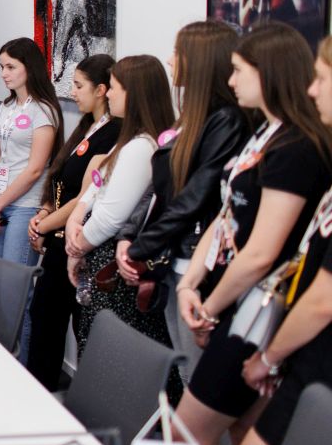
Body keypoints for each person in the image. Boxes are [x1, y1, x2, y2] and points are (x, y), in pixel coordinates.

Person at [173, 23, 332, 445]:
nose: (231, 80)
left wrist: (210, 307)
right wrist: (192, 282)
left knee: (189, 433)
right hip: (241, 308)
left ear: (269, 74)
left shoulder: (298, 149)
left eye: (240, 71)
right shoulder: (264, 135)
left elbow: (264, 253)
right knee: (240, 439)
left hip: (258, 317)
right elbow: (226, 217)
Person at [116, 21, 248, 383]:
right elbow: (160, 190)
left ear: (201, 61)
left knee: (198, 377)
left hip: (197, 261)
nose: (171, 60)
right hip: (175, 257)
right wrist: (130, 237)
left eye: (178, 52)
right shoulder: (193, 118)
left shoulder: (226, 122)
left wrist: (140, 247)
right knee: (187, 369)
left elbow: (195, 197)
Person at [64, 56, 176, 360]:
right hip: (96, 252)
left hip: (109, 262)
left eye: (114, 88)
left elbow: (111, 217)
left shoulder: (141, 147)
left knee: (108, 357)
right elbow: (95, 187)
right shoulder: (128, 139)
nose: (109, 94)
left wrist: (76, 246)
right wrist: (75, 219)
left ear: (135, 94)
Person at [25, 54, 118, 390]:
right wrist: (45, 212)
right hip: (58, 237)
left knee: (79, 326)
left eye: (79, 86)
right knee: (44, 319)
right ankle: (39, 391)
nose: (72, 92)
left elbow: (85, 196)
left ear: (102, 90)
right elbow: (61, 177)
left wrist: (44, 225)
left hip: (80, 243)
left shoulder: (114, 133)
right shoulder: (87, 126)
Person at [0, 38, 62, 360]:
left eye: (11, 67)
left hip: (25, 207)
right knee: (2, 291)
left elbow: (35, 169)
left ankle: (22, 367)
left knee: (16, 294)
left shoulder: (44, 111)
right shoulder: (6, 107)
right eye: (2, 66)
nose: (4, 73)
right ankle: (5, 359)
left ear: (30, 68)